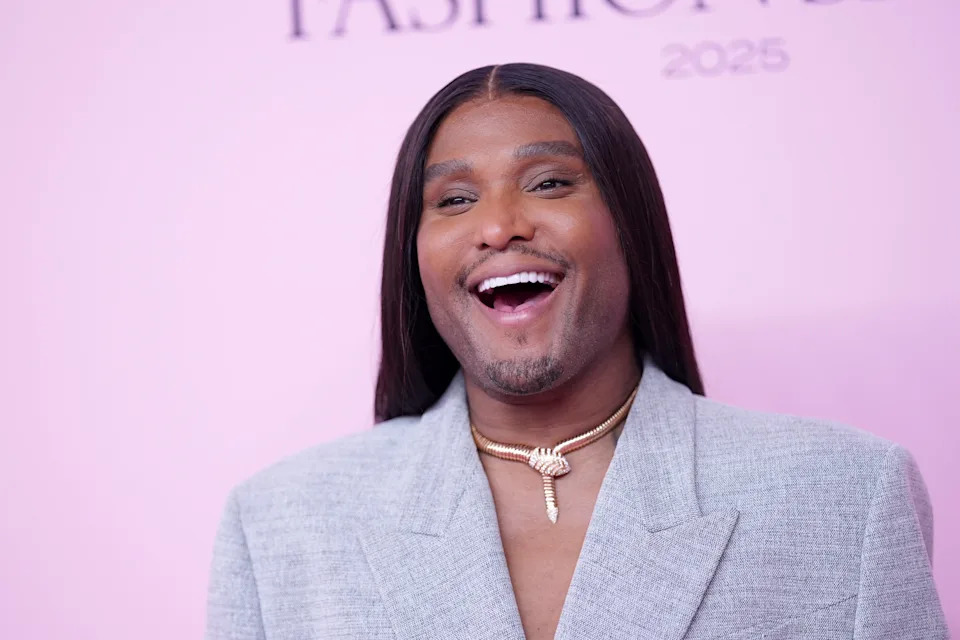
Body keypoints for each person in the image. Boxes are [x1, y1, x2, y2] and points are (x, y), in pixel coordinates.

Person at [204, 64, 948, 640]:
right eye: (454, 200)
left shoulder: (845, 494)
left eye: (550, 182)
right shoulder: (279, 522)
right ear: (414, 257)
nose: (498, 226)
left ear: (631, 224)